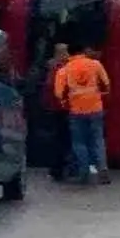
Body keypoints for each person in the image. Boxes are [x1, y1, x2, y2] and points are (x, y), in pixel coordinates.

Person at [55, 43, 111, 186]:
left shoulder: (64, 70)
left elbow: (59, 93)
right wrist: (100, 96)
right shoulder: (95, 64)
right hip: (95, 108)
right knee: (97, 139)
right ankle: (102, 169)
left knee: (79, 142)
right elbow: (106, 84)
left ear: (70, 54)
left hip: (76, 110)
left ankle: (84, 171)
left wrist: (65, 104)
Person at [43, 42, 71, 181]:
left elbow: (49, 86)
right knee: (65, 139)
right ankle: (64, 168)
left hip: (57, 107)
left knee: (58, 139)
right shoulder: (69, 66)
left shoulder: (54, 67)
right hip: (66, 107)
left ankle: (57, 169)